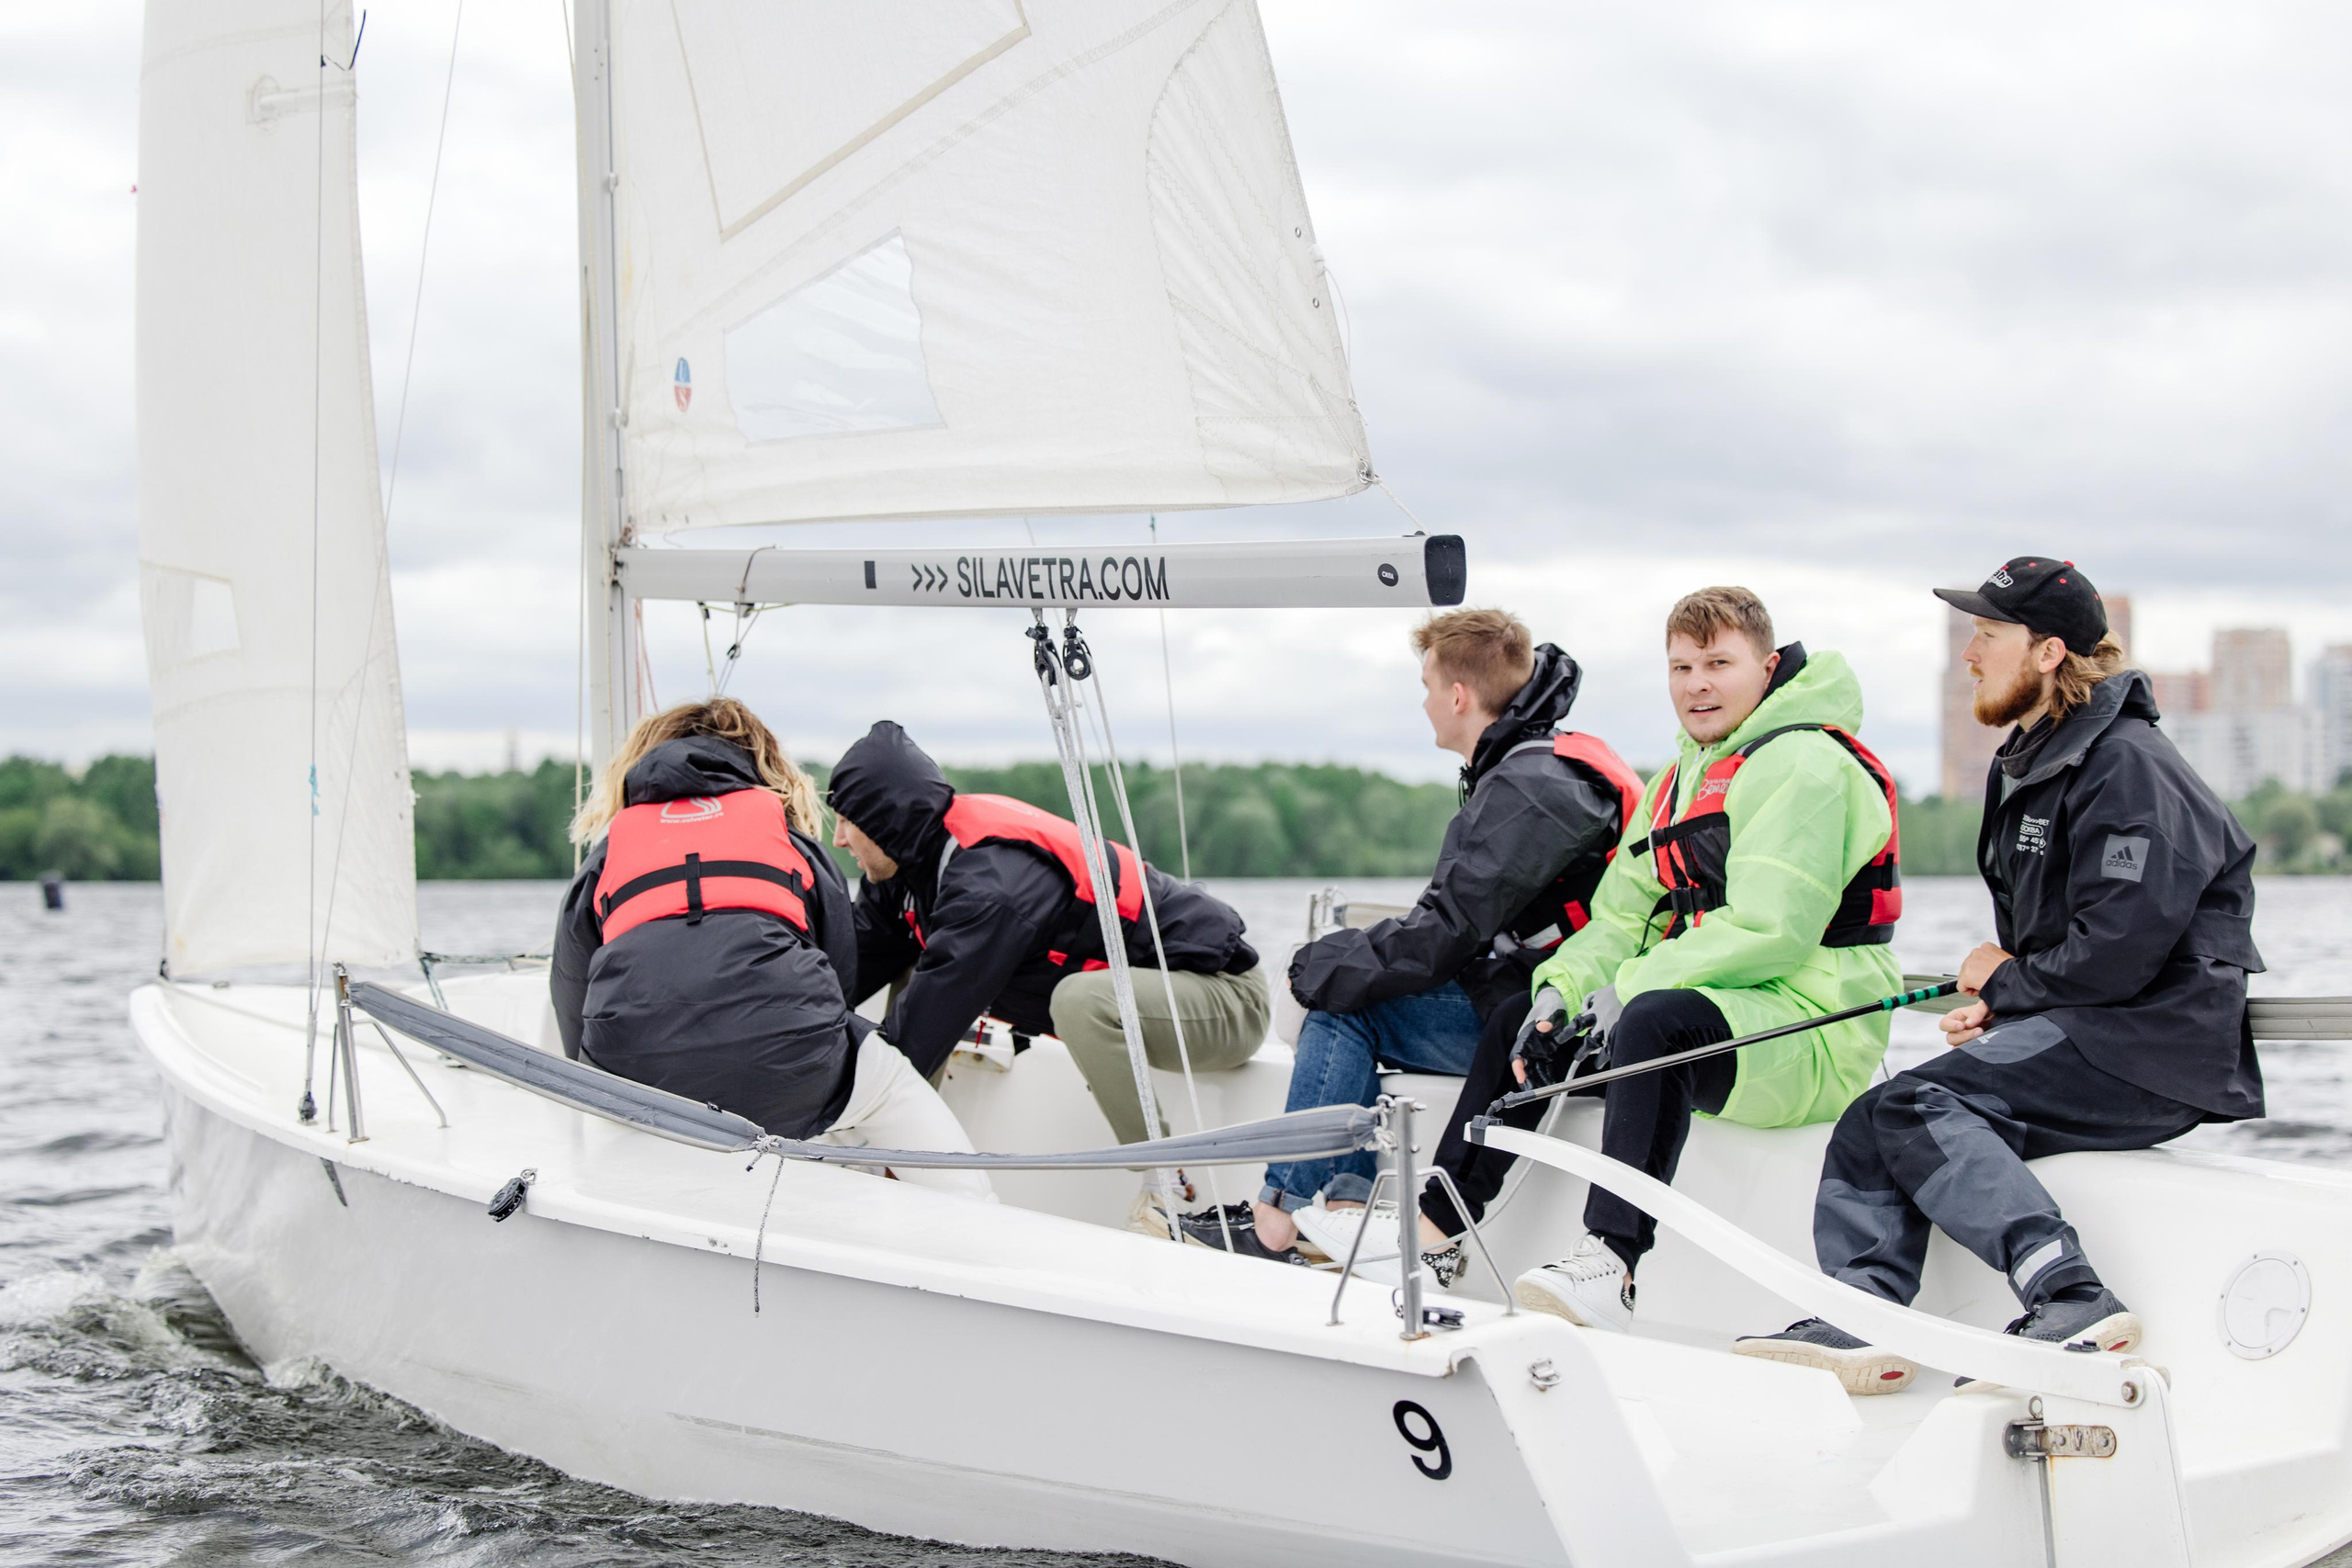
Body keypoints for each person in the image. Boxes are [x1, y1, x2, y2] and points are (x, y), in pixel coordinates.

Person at [1736, 558, 2263, 1393]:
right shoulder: (2033, 760)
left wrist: (2007, 984)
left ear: (2049, 652)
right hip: (2095, 1030)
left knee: (1918, 1100)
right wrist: (2004, 1008)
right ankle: (1866, 1313)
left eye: (1987, 635)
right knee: (1877, 1116)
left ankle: (2072, 1296)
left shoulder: (2128, 766)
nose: (1971, 654)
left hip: (2157, 1047)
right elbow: (2064, 953)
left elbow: (2120, 951)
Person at [1187, 609, 1638, 1269]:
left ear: (1458, 695)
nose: (1424, 702)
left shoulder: (1530, 789)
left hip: (1554, 1021)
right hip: (1549, 993)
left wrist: (1310, 968)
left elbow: (1442, 934)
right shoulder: (1539, 767)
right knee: (1350, 987)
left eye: (1427, 685)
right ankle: (1337, 1212)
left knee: (1344, 1003)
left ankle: (1279, 1220)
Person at [1509, 587, 1905, 1330]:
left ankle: (1610, 1262)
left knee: (1653, 1023)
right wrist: (1561, 988)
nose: (1697, 683)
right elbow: (1620, 915)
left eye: (1719, 663)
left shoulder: (1804, 764)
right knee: (1522, 1016)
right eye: (1681, 666)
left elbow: (1773, 928)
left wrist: (1632, 984)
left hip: (1820, 1022)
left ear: (1767, 665)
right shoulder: (1683, 774)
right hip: (1739, 1004)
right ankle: (1439, 1228)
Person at [550, 700, 993, 1202]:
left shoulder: (611, 851)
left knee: (611, 1101)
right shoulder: (787, 839)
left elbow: (571, 990)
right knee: (890, 1087)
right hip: (792, 1065)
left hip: (635, 1074)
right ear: (761, 766)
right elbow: (836, 972)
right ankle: (978, 1220)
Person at [827, 721, 1266, 1221]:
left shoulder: (991, 882)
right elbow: (844, 973)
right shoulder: (906, 872)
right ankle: (889, 1161)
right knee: (917, 962)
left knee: (1080, 1001)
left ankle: (1165, 1179)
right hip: (1149, 1005)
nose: (839, 839)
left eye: (847, 821)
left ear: (886, 820)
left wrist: (839, 1116)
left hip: (1224, 1000)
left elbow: (926, 1022)